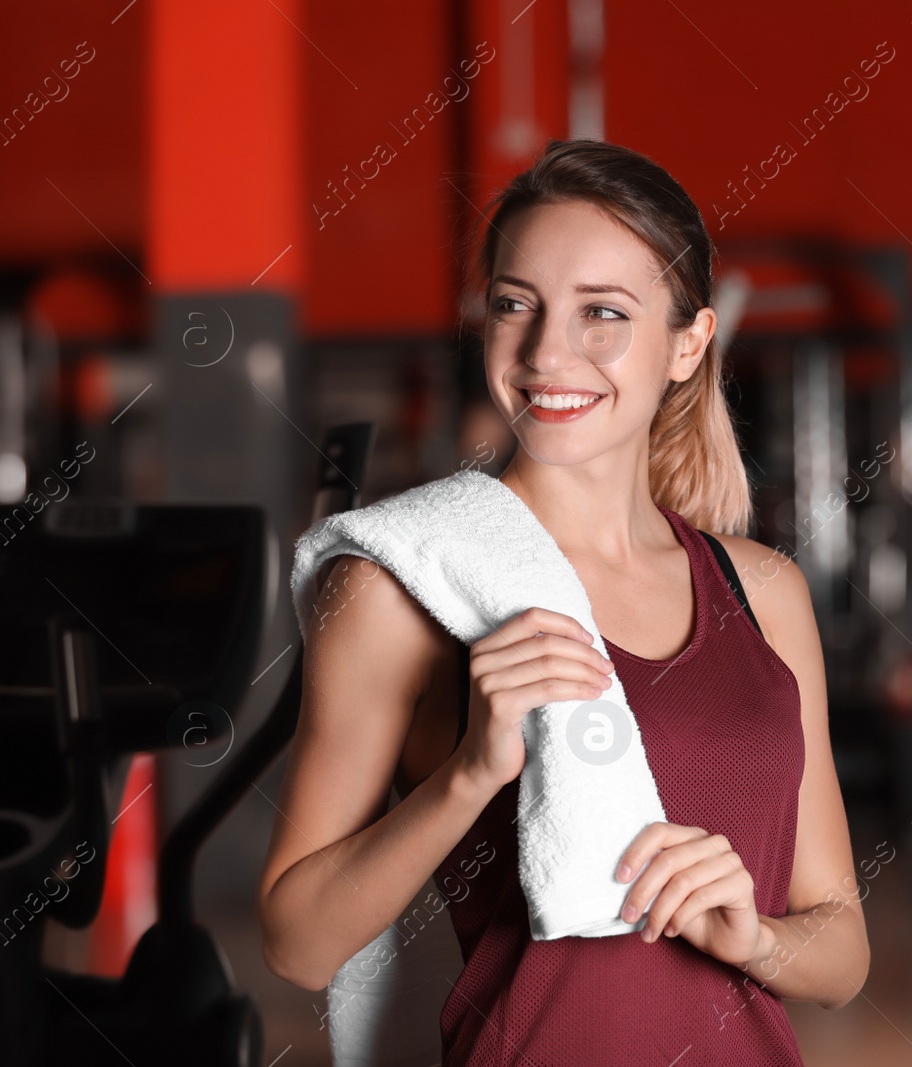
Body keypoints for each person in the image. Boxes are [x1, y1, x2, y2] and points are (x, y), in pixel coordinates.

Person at [258, 139, 870, 1064]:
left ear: (688, 343)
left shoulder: (765, 592)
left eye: (603, 313)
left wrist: (758, 939)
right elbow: (297, 944)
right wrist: (468, 773)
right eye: (516, 304)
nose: (548, 351)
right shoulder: (399, 585)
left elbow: (844, 949)